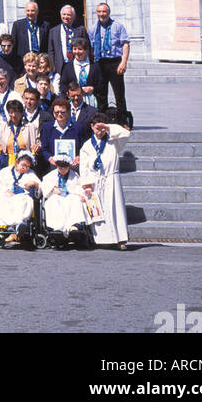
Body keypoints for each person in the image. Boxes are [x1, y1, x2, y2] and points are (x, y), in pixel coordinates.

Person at [78, 108, 131, 249]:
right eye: (97, 128)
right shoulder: (87, 146)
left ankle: (120, 239)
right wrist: (86, 185)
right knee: (99, 212)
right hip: (95, 181)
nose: (100, 132)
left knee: (116, 209)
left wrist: (108, 127)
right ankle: (103, 240)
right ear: (91, 127)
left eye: (103, 129)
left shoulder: (113, 141)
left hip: (111, 179)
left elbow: (126, 133)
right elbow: (83, 168)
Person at [89, 4, 130, 118]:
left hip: (114, 62)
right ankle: (102, 118)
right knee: (101, 93)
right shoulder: (93, 28)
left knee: (119, 94)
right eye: (99, 12)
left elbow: (125, 44)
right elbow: (91, 48)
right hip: (100, 63)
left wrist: (123, 62)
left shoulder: (118, 26)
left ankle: (122, 119)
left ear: (109, 12)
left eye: (104, 12)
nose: (101, 14)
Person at [0, 150, 40, 242]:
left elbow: (39, 186)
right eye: (23, 165)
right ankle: (9, 228)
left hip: (22, 196)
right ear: (16, 162)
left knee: (22, 201)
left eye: (28, 166)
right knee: (0, 198)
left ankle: (19, 225)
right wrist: (7, 191)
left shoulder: (30, 173)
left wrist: (33, 183)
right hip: (7, 195)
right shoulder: (5, 171)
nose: (25, 168)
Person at [40, 152, 88, 244]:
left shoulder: (74, 175)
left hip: (70, 196)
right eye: (60, 167)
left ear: (68, 167)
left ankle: (73, 226)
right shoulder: (51, 175)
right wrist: (53, 187)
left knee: (75, 200)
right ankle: (58, 228)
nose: (62, 170)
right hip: (56, 196)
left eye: (65, 168)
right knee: (52, 202)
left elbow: (79, 187)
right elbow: (44, 187)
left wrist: (80, 195)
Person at [60, 38, 104, 105]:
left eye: (80, 49)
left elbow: (101, 85)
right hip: (73, 103)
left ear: (86, 50)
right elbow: (63, 86)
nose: (77, 52)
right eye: (75, 49)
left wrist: (93, 89)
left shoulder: (95, 66)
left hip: (92, 102)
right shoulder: (67, 67)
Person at [48, 5, 88, 69]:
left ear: (74, 16)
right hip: (60, 66)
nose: (66, 17)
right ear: (61, 15)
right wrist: (53, 67)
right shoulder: (53, 31)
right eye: (64, 14)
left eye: (69, 15)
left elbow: (87, 47)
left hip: (78, 64)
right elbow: (51, 51)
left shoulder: (81, 29)